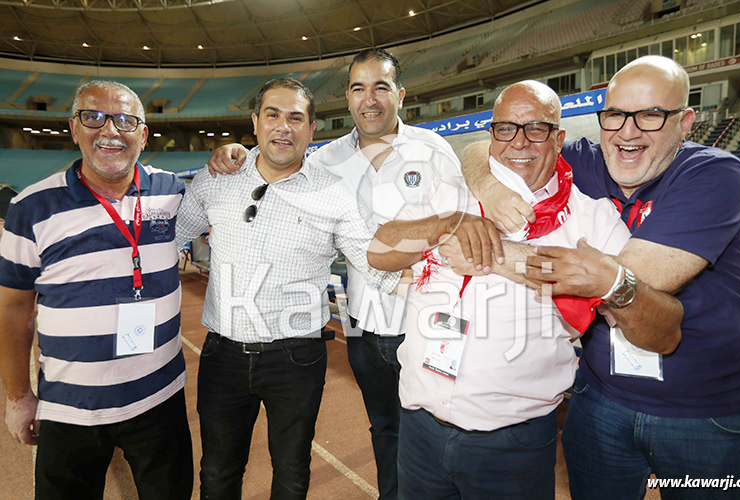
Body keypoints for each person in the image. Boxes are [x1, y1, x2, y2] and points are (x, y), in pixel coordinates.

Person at [463, 56, 740, 499]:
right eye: (615, 115)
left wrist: (475, 248)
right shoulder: (588, 160)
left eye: (650, 115)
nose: (628, 132)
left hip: (704, 412)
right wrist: (491, 187)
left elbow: (635, 278)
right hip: (601, 400)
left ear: (685, 122)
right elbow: (483, 149)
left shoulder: (713, 174)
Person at [366, 80, 670, 499]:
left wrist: (518, 260)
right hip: (420, 425)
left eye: (536, 129)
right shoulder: (451, 191)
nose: (519, 142)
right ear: (491, 136)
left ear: (559, 138)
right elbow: (378, 251)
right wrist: (445, 223)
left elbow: (652, 323)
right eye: (505, 129)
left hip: (512, 442)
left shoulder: (592, 219)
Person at [206, 48, 461, 500]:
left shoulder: (435, 150)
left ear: (400, 95)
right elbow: (276, 163)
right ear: (347, 98)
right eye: (359, 87)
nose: (370, 98)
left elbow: (462, 222)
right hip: (363, 329)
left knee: (441, 434)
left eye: (381, 87)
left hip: (428, 322)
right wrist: (235, 154)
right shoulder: (325, 161)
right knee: (384, 430)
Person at [176, 77, 400, 500]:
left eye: (296, 118)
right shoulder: (216, 179)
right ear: (255, 122)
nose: (284, 127)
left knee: (292, 473)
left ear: (312, 129)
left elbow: (373, 261)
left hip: (297, 358)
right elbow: (169, 240)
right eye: (273, 115)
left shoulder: (334, 193)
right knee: (218, 474)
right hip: (223, 355)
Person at [0, 80, 193, 499]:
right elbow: (14, 309)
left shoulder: (171, 191)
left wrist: (228, 155)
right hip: (69, 407)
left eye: (124, 120)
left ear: (143, 135)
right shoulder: (31, 208)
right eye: (93, 116)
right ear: (74, 128)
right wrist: (18, 397)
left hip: (159, 399)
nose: (109, 130)